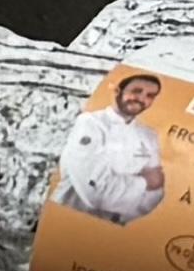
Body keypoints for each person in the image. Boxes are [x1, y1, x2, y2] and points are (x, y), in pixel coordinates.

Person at [59, 74, 169, 222]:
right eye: (136, 91)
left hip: (113, 229)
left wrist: (122, 215)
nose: (141, 98)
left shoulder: (148, 136)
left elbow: (155, 195)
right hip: (66, 219)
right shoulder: (91, 123)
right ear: (118, 91)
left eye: (150, 95)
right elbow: (95, 194)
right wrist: (145, 182)